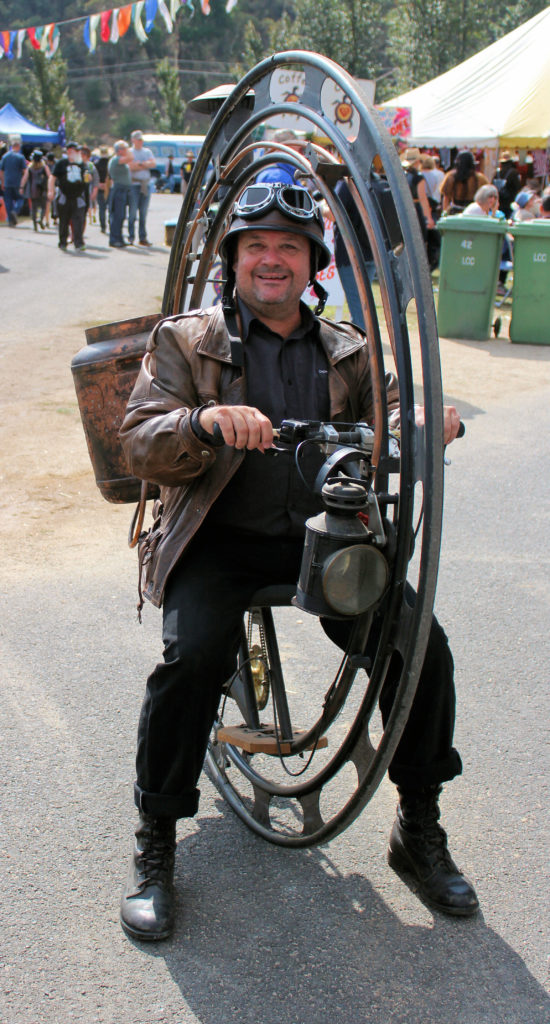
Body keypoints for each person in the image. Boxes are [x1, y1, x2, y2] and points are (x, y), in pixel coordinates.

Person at [118, 183, 479, 942]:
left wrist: (423, 415)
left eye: (288, 246)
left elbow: (392, 406)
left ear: (313, 262)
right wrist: (205, 420)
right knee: (191, 659)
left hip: (324, 543)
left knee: (417, 644)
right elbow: (139, 441)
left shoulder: (344, 349)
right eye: (256, 246)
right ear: (235, 261)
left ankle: (418, 826)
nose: (271, 260)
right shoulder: (186, 341)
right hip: (215, 539)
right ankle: (156, 844)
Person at [50, 141, 88, 251]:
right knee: (63, 221)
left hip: (78, 197)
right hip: (64, 196)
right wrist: (50, 190)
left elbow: (87, 177)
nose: (77, 152)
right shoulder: (61, 163)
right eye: (76, 150)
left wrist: (87, 178)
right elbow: (52, 178)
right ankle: (62, 242)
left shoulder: (81, 164)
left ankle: (79, 243)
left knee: (79, 221)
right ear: (69, 151)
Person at [127, 129, 155, 246]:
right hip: (134, 185)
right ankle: (131, 236)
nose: (140, 142)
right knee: (132, 212)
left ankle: (142, 237)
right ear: (133, 140)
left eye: (141, 140)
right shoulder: (129, 152)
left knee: (143, 213)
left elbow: (153, 164)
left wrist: (140, 164)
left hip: (145, 185)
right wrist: (144, 165)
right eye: (138, 140)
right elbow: (130, 167)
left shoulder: (147, 151)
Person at [440, 150, 488, 215]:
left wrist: (445, 213)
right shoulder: (481, 179)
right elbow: (485, 198)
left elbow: (446, 198)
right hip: (474, 212)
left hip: (455, 213)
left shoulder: (450, 177)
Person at [107, 140, 131, 248]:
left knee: (121, 216)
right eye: (125, 149)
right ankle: (114, 239)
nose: (127, 151)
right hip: (118, 190)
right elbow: (131, 158)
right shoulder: (116, 160)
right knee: (117, 216)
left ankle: (119, 238)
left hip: (123, 190)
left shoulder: (120, 160)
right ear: (120, 150)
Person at [20, 150, 51, 231]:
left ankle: (35, 226)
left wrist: (21, 187)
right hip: (43, 189)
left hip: (33, 190)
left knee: (34, 208)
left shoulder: (30, 168)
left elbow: (25, 178)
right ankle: (40, 219)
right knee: (43, 207)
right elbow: (49, 177)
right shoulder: (44, 167)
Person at [0, 135, 27, 226]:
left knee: (8, 201)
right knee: (20, 199)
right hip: (17, 182)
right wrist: (23, 183)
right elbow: (24, 171)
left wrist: (3, 182)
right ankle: (15, 211)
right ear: (18, 146)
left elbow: (1, 171)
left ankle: (10, 221)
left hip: (7, 182)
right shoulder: (20, 157)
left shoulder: (5, 157)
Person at [94, 145, 111, 234]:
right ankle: (110, 224)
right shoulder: (110, 162)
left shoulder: (96, 163)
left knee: (102, 208)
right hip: (109, 187)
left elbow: (94, 176)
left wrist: (98, 184)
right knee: (111, 208)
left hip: (100, 187)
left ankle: (103, 226)